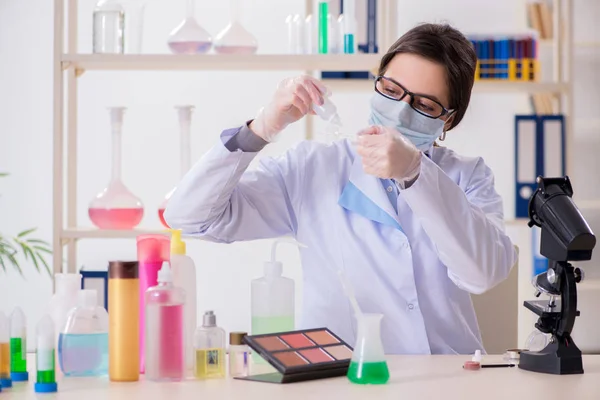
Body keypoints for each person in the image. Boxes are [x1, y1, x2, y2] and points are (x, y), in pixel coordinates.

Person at [164, 23, 518, 355]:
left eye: (425, 105)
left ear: (449, 120)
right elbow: (191, 218)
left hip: (449, 378)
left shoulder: (468, 176)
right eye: (391, 91)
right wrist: (260, 128)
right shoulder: (312, 169)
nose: (400, 110)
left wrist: (416, 174)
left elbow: (482, 273)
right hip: (344, 376)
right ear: (376, 83)